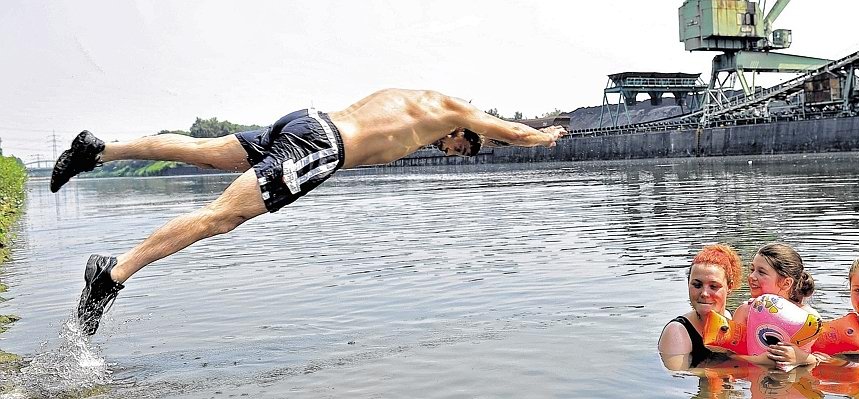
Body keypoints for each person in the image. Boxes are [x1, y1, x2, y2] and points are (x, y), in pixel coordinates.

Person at [50, 88, 567, 335]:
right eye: (463, 149)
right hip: (321, 146)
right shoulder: (454, 111)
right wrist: (545, 136)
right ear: (464, 129)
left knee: (203, 149)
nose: (454, 154)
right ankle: (111, 276)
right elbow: (518, 132)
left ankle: (98, 150)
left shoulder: (415, 103)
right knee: (222, 217)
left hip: (305, 121)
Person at [731, 242, 819, 369]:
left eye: (761, 272)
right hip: (756, 377)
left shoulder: (809, 318)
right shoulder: (745, 312)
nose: (751, 276)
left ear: (786, 283)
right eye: (752, 270)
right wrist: (759, 361)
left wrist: (803, 359)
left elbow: (823, 358)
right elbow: (730, 356)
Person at [657, 244, 745, 371]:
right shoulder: (677, 331)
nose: (704, 293)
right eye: (697, 285)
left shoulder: (737, 320)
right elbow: (676, 380)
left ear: (729, 287)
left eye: (714, 286)